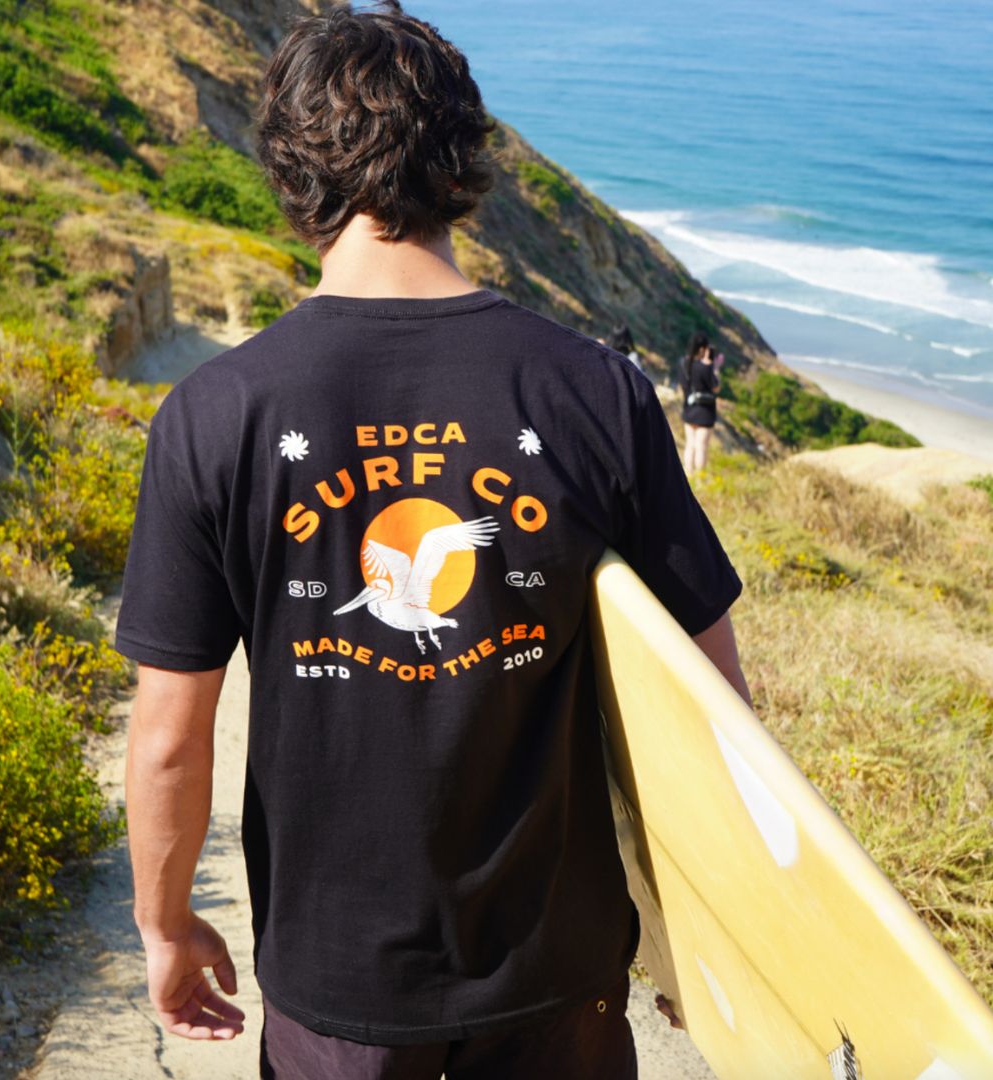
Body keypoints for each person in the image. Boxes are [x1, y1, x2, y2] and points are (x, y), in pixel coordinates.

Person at [116, 4, 750, 1078]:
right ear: (462, 161)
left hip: (339, 985)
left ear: (288, 166)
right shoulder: (594, 388)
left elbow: (172, 738)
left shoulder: (216, 413)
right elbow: (713, 706)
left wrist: (165, 927)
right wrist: (725, 948)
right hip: (559, 969)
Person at [679, 333, 721, 475]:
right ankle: (700, 477)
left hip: (689, 409)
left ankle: (688, 475)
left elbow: (683, 386)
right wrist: (715, 369)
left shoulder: (683, 363)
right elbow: (716, 387)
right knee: (701, 446)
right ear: (703, 349)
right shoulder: (705, 367)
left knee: (690, 445)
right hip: (705, 412)